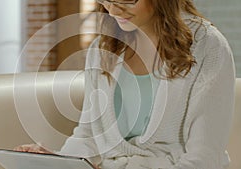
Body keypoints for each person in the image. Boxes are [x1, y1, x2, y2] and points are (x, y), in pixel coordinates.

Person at [15, 0, 236, 168]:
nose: (113, 10)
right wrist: (58, 161)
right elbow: (88, 136)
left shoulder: (208, 46)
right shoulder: (103, 48)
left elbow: (205, 158)